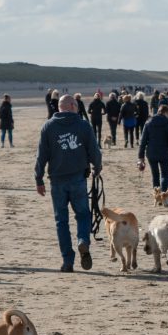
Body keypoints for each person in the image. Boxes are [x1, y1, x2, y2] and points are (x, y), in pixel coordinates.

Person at [34, 95, 102, 272]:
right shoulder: (83, 125)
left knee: (61, 220)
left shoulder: (48, 126)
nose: (79, 108)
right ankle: (83, 241)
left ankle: (67, 261)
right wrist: (98, 167)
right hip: (77, 178)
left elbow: (41, 156)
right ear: (71, 106)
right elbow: (94, 150)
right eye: (77, 105)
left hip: (57, 181)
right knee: (83, 214)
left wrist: (38, 178)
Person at [139, 104, 168, 202]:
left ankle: (157, 196)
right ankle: (163, 196)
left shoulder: (148, 122)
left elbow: (143, 141)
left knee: (155, 175)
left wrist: (141, 156)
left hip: (151, 152)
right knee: (164, 175)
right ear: (165, 112)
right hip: (165, 152)